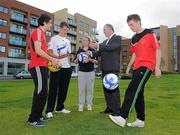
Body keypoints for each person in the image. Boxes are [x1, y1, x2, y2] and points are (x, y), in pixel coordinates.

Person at [109, 14, 161, 127]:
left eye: (132, 25)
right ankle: (140, 120)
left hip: (147, 66)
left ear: (138, 22)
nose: (130, 27)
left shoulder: (150, 33)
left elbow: (158, 50)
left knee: (132, 89)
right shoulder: (134, 38)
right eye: (129, 26)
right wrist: (129, 66)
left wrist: (157, 67)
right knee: (139, 92)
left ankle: (123, 117)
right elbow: (134, 54)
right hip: (137, 67)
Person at [27, 14, 59, 127]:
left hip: (43, 66)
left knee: (44, 92)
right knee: (40, 92)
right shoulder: (38, 32)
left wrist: (52, 60)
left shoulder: (43, 34)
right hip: (37, 66)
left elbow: (44, 51)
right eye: (50, 23)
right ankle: (33, 119)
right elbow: (38, 50)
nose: (51, 25)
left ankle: (38, 115)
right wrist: (52, 59)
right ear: (44, 22)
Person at [88, 24, 121, 116]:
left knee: (114, 89)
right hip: (105, 68)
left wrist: (98, 45)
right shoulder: (105, 41)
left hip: (113, 68)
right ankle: (109, 107)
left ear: (110, 29)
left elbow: (111, 48)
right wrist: (91, 53)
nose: (103, 31)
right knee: (106, 89)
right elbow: (99, 52)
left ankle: (117, 110)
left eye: (105, 29)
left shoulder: (117, 38)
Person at [45, 22, 72, 119]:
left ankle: (60, 108)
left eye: (67, 30)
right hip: (56, 67)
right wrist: (57, 57)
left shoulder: (68, 41)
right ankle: (49, 110)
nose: (66, 32)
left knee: (64, 89)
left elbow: (68, 54)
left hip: (67, 67)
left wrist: (68, 63)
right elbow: (49, 51)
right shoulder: (54, 39)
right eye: (64, 30)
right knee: (53, 89)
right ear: (60, 29)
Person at [74, 36, 98, 112]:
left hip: (90, 72)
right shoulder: (79, 50)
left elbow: (96, 62)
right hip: (81, 72)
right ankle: (81, 104)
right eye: (83, 41)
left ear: (89, 42)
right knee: (81, 89)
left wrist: (89, 59)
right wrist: (78, 58)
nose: (84, 42)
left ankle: (89, 104)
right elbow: (75, 62)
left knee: (90, 89)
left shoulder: (92, 50)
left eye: (86, 41)